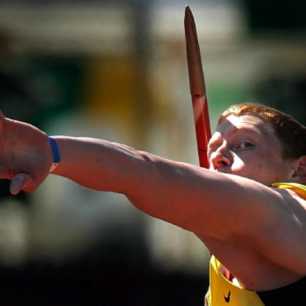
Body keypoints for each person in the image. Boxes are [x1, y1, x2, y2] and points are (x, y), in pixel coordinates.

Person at [1, 102, 306, 305]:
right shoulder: (227, 264)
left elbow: (146, 173)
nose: (220, 155)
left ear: (299, 168)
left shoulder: (285, 207)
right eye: (214, 146)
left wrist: (51, 151)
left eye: (245, 144)